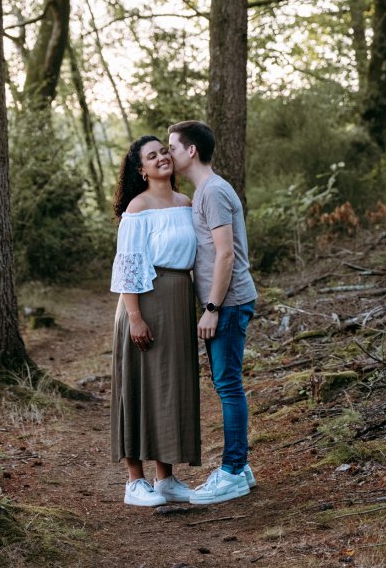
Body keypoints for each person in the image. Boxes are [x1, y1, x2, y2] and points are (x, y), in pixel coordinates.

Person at [168, 120, 257, 505]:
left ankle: (233, 472)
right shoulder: (205, 191)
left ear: (191, 151)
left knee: (228, 385)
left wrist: (211, 308)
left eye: (172, 147)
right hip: (225, 303)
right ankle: (242, 466)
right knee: (226, 384)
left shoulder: (214, 192)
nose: (168, 154)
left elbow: (225, 253)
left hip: (229, 302)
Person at [110, 135, 201, 507]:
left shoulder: (185, 203)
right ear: (141, 169)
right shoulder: (138, 207)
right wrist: (134, 317)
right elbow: (128, 265)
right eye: (152, 155)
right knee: (137, 386)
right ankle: (135, 482)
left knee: (168, 388)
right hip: (144, 301)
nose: (162, 157)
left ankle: (165, 479)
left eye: (164, 151)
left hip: (179, 299)